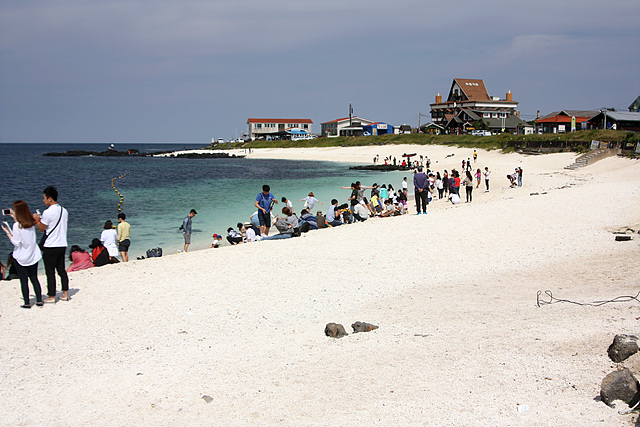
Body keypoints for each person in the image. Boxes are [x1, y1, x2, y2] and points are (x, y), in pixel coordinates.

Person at [2, 201, 43, 308]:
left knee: (24, 281)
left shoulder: (17, 226)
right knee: (34, 278)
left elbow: (16, 242)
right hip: (33, 255)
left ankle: (27, 303)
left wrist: (7, 232)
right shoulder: (31, 223)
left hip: (21, 257)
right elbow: (22, 224)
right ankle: (39, 300)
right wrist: (14, 216)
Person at [35, 185, 69, 303]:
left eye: (44, 198)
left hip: (51, 245)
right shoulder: (64, 211)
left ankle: (52, 296)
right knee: (61, 270)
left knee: (50, 272)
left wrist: (37, 220)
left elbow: (41, 228)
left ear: (50, 198)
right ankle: (65, 293)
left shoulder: (47, 212)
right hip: (62, 244)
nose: (43, 200)